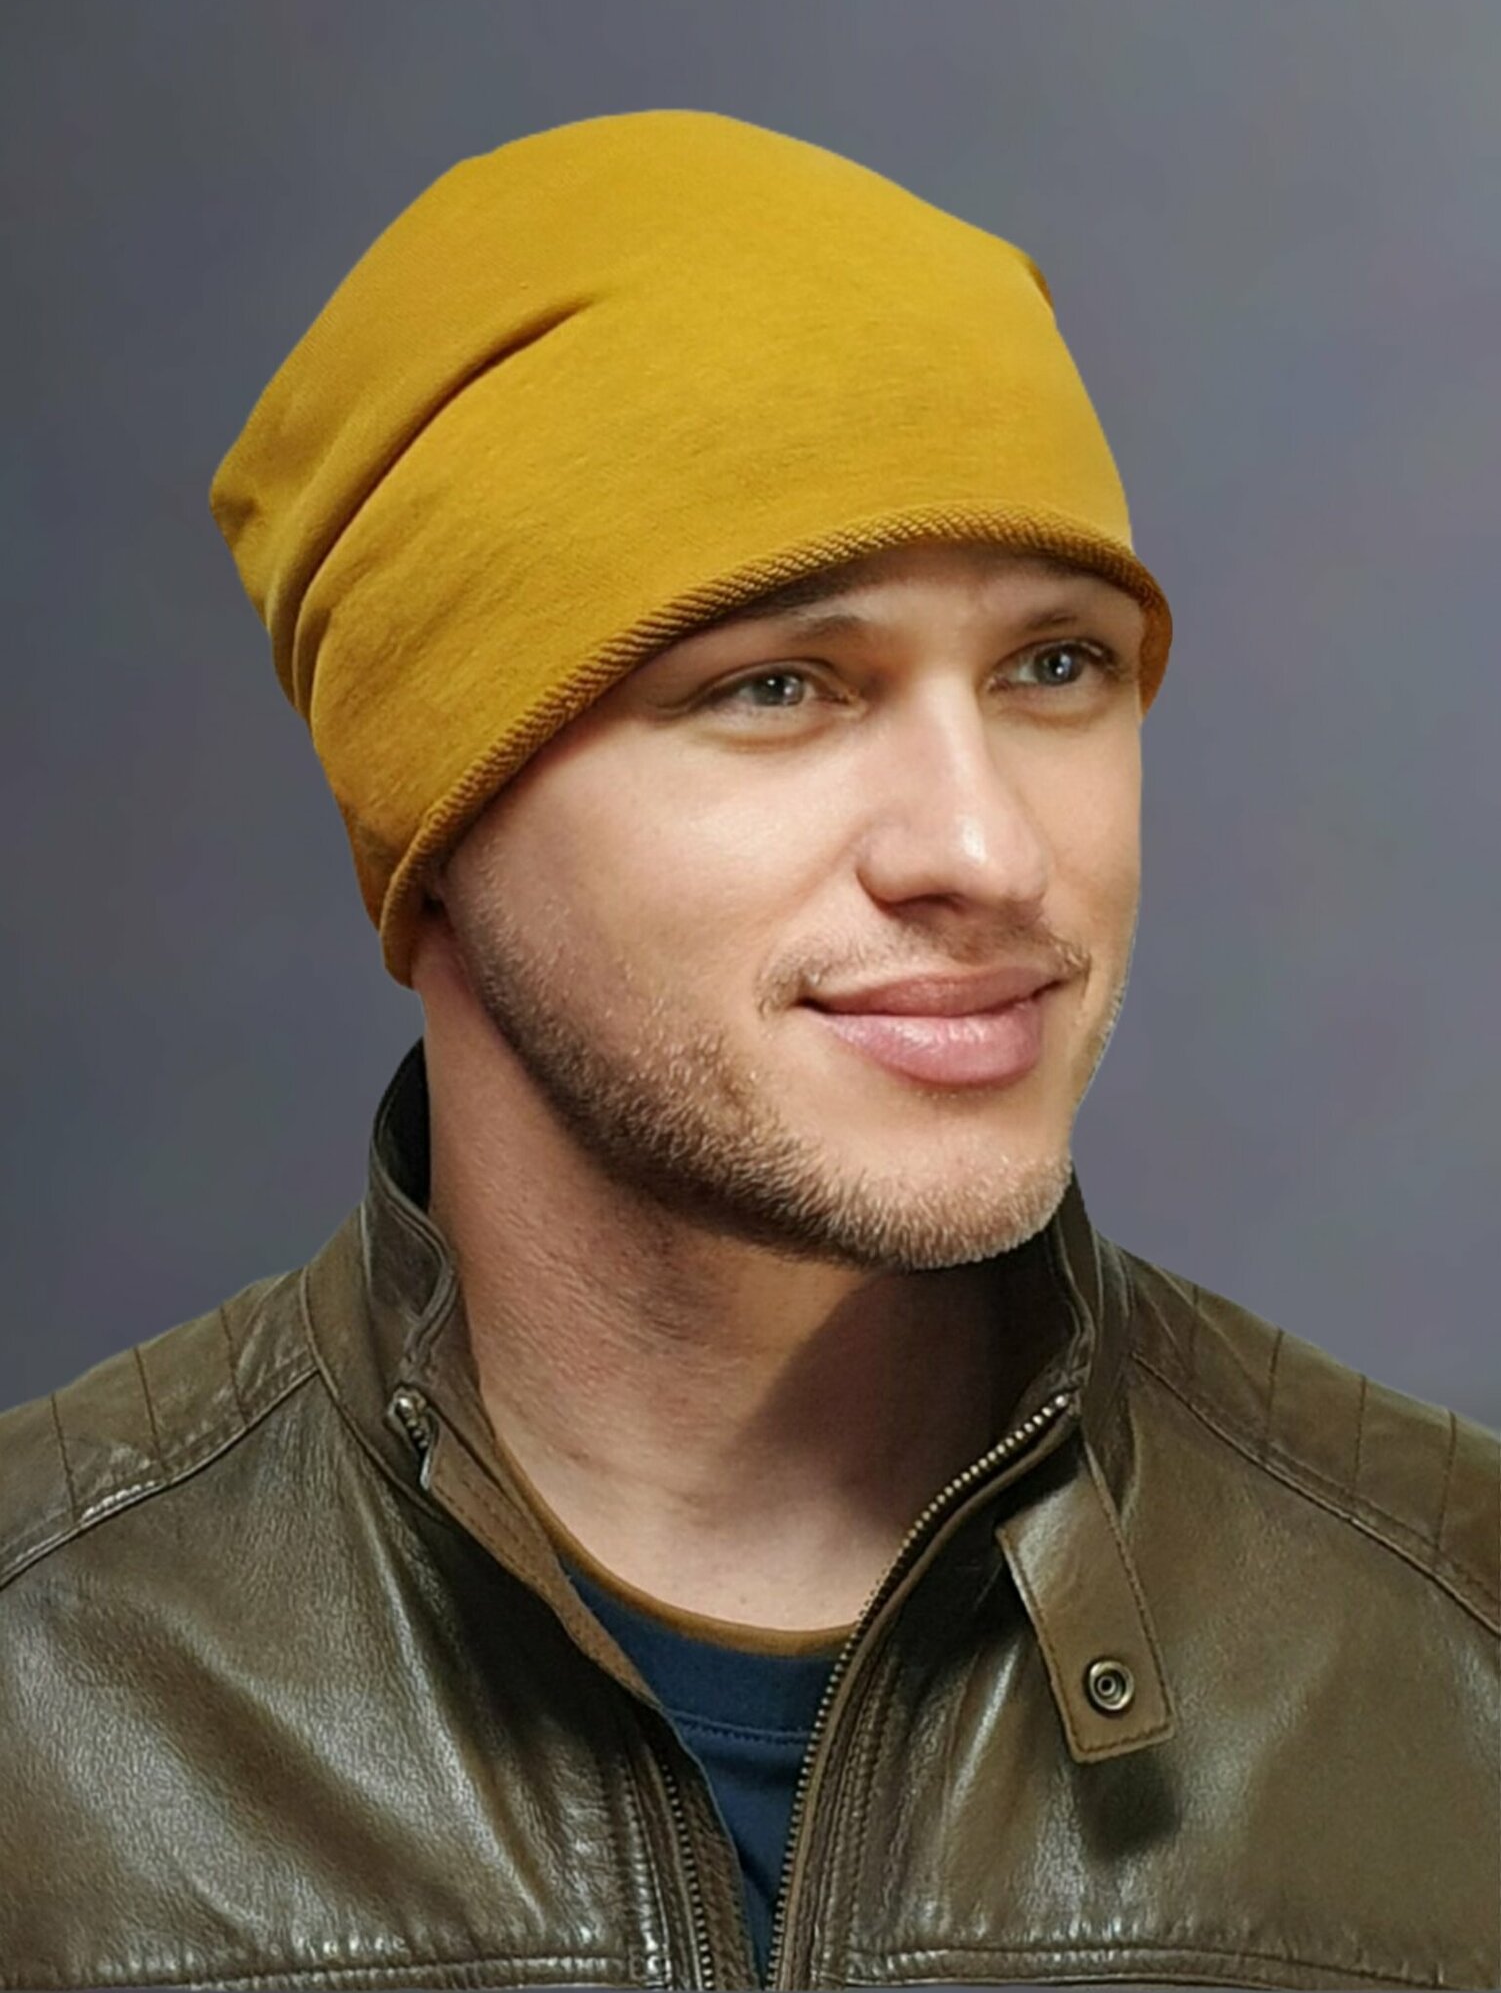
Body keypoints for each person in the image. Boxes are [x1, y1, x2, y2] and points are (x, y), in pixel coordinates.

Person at [1, 108, 1495, 1993]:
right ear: (435, 813)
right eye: (775, 686)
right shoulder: (44, 1687)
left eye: (1054, 665)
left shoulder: (1454, 1645)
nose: (985, 850)